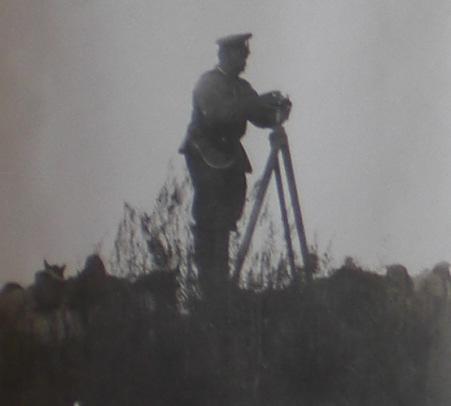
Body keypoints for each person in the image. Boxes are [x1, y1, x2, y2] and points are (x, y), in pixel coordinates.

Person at [179, 33, 290, 301]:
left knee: (230, 212)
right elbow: (218, 114)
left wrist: (278, 110)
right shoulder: (208, 83)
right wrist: (256, 102)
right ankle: (209, 286)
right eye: (241, 54)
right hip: (205, 149)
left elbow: (259, 116)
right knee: (210, 213)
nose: (246, 59)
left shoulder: (242, 87)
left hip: (228, 152)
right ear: (226, 55)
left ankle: (222, 283)